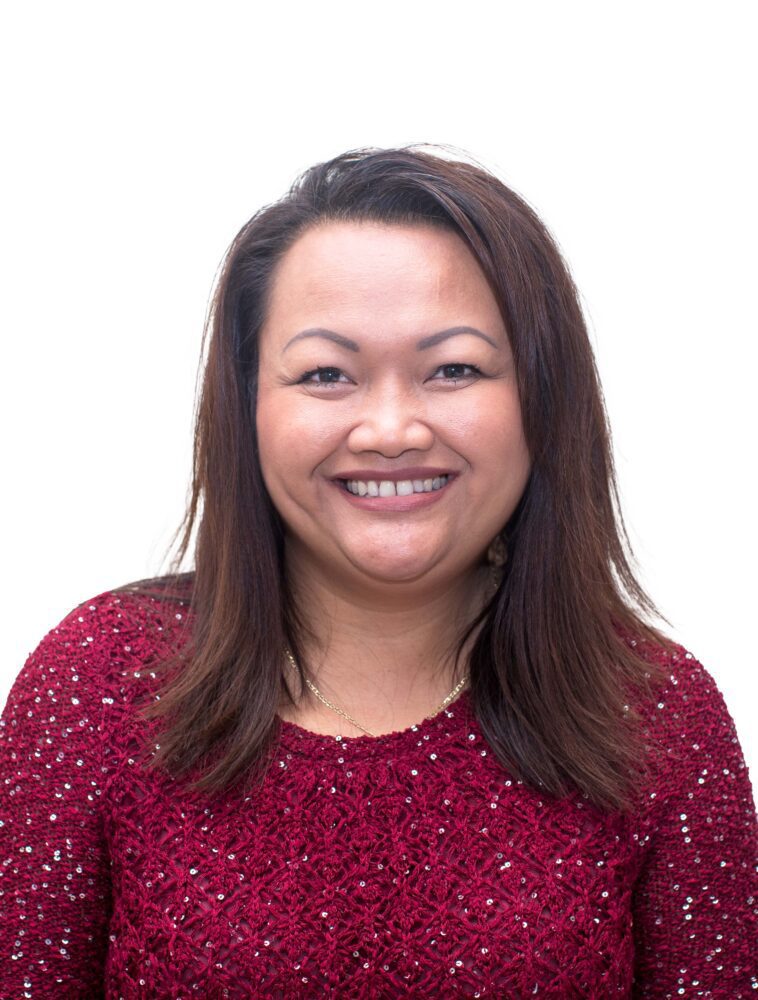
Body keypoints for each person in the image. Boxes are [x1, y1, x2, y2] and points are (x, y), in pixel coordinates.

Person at [0, 147, 755, 998]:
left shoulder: (656, 715)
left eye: (455, 369)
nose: (390, 428)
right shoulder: (100, 681)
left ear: (543, 398)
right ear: (248, 403)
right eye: (326, 374)